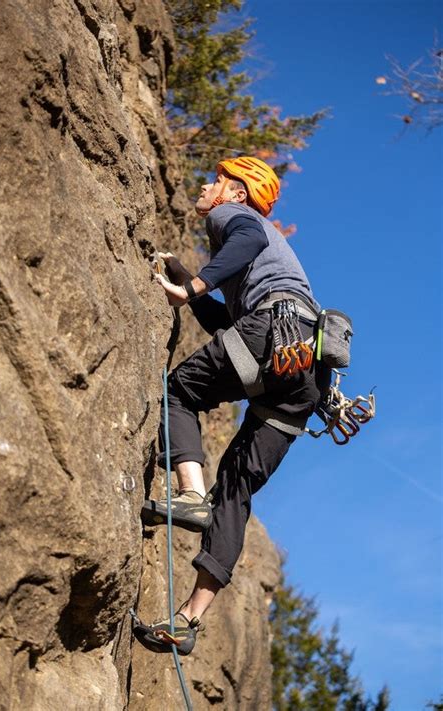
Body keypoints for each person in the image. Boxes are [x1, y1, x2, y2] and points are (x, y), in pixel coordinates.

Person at [134, 156, 330, 656]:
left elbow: (248, 244)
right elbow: (229, 325)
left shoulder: (235, 220)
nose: (206, 185)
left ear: (236, 194)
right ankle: (188, 620)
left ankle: (188, 495)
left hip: (273, 335)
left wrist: (191, 285)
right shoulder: (272, 263)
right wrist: (188, 280)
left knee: (177, 392)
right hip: (303, 375)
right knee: (236, 490)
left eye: (216, 181)